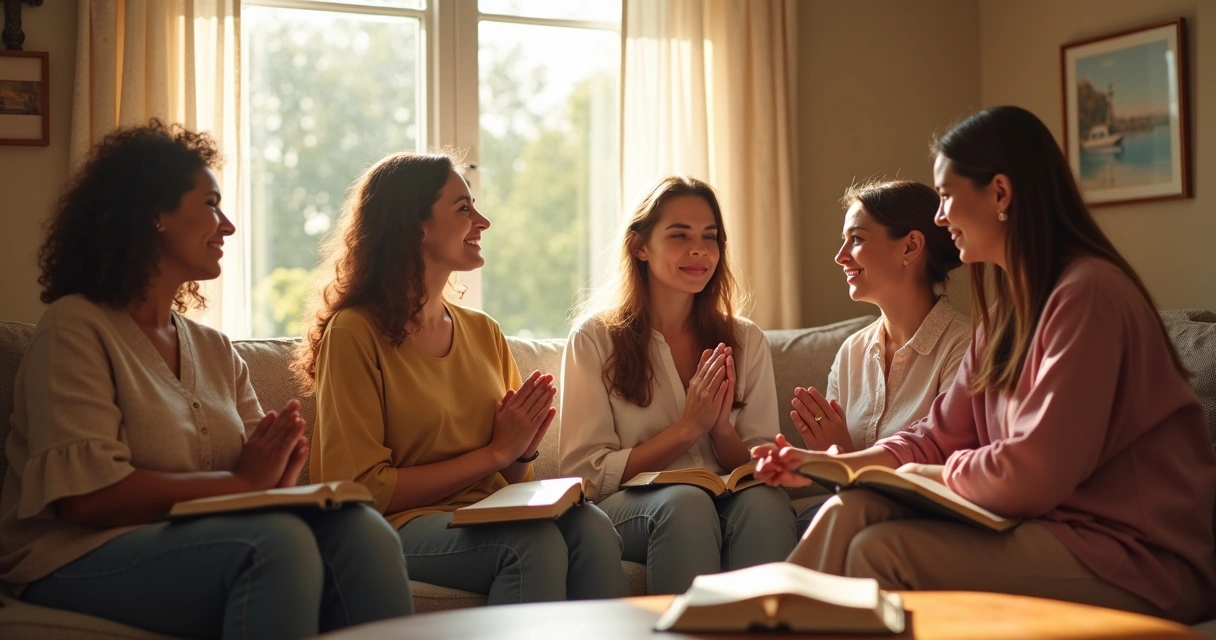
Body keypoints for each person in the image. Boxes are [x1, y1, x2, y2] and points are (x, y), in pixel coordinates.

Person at [753, 106, 1216, 624]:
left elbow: (1035, 472)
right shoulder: (1009, 313)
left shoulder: (1090, 295)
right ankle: (763, 625)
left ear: (999, 193)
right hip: (1050, 529)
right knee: (850, 506)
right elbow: (935, 434)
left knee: (880, 551)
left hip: (1134, 555)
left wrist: (923, 476)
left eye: (947, 196)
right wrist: (840, 466)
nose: (939, 216)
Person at [0, 120, 413, 639]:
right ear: (155, 214)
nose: (228, 225)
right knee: (274, 544)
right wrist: (242, 482)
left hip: (196, 541)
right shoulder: (75, 328)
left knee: (363, 532)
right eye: (211, 204)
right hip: (71, 557)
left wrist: (279, 469)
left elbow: (255, 480)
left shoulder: (214, 349)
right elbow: (89, 499)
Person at [297, 152, 629, 605]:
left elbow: (515, 475)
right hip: (403, 525)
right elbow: (364, 489)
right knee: (528, 544)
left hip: (490, 510)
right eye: (463, 208)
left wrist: (522, 445)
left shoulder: (482, 330)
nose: (483, 221)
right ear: (416, 225)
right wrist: (495, 451)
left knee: (592, 526)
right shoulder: (355, 332)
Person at [559, 176, 796, 595]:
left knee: (767, 503)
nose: (699, 250)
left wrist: (721, 430)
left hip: (723, 498)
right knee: (686, 501)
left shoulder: (744, 340)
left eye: (711, 237)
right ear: (640, 246)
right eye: (679, 235)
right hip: (636, 506)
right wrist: (687, 429)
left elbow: (761, 466)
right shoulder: (595, 338)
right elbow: (586, 473)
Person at [791, 179, 968, 534]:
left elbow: (948, 473)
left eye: (856, 239)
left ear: (911, 246)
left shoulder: (965, 348)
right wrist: (834, 457)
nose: (840, 256)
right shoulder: (852, 352)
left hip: (927, 523)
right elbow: (841, 483)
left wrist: (841, 456)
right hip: (859, 515)